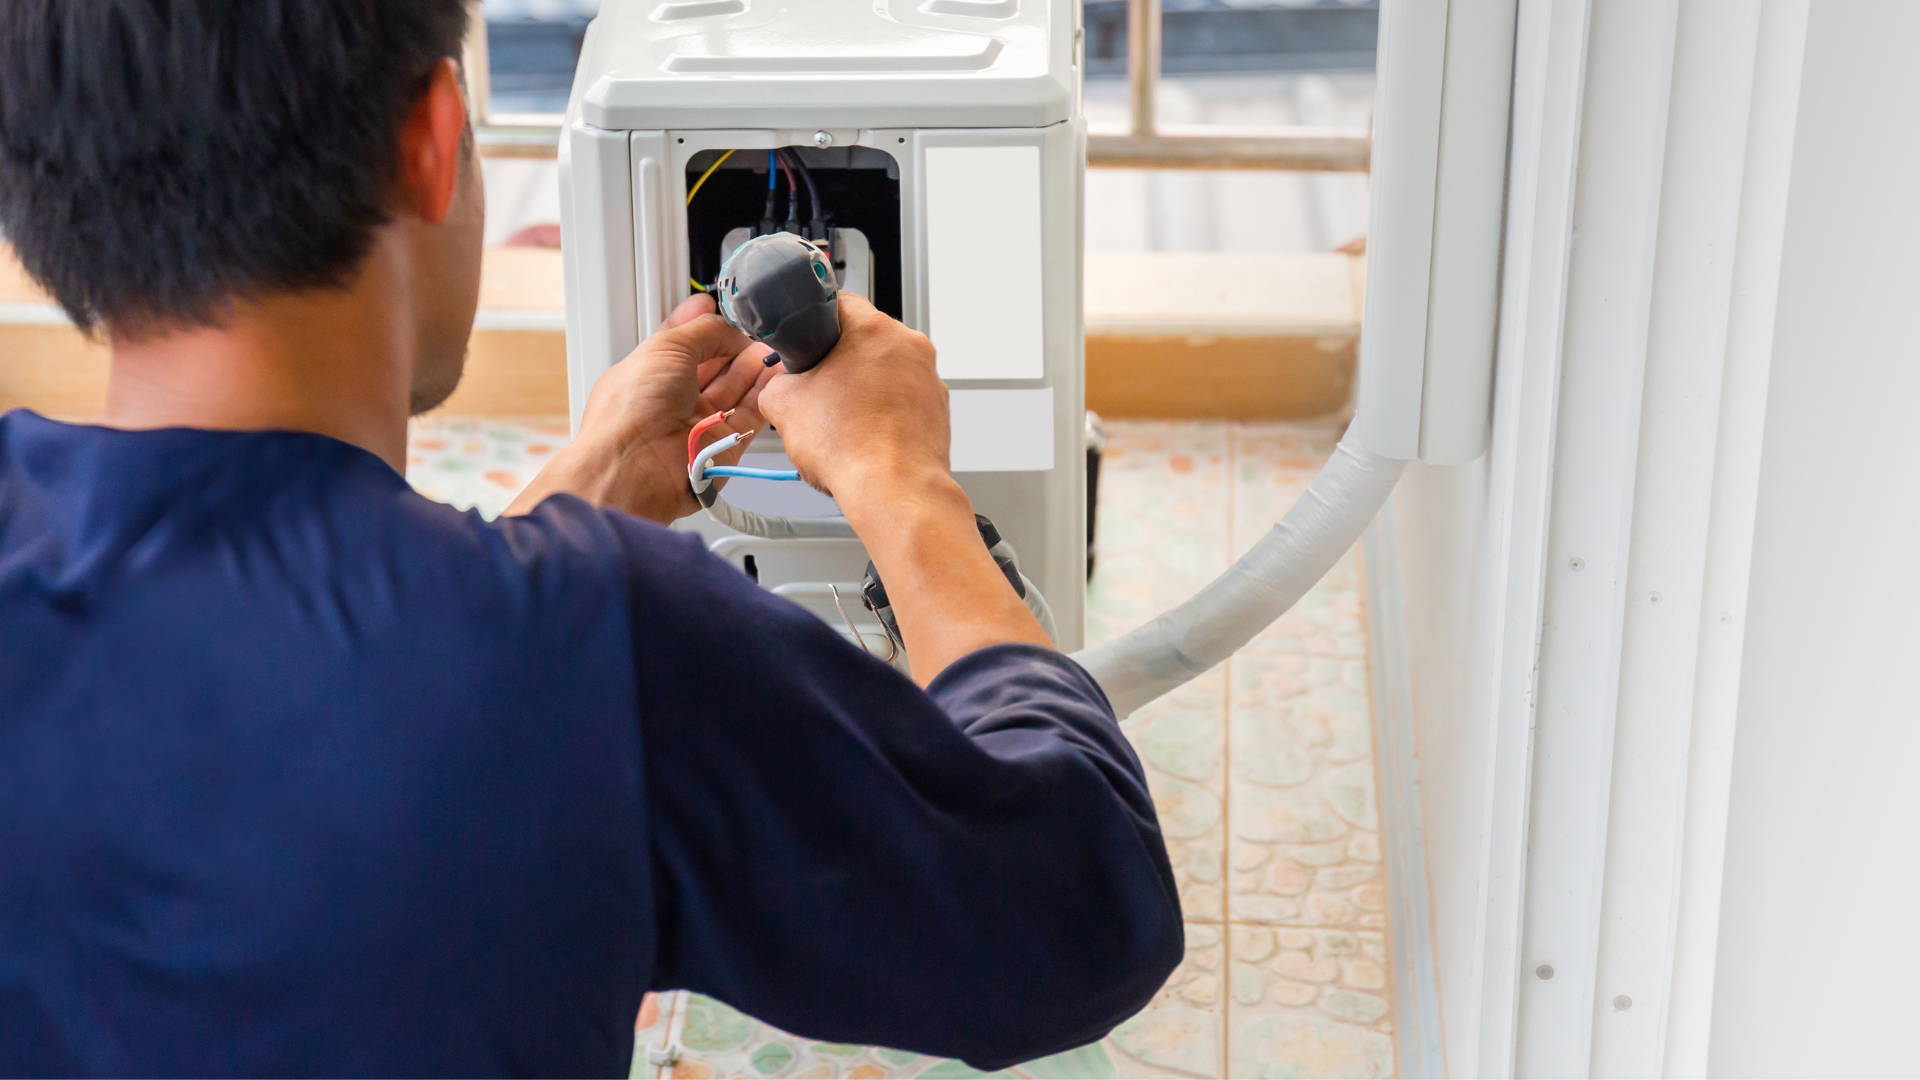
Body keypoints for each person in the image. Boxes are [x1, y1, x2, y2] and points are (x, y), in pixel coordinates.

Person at [0, 1, 1183, 1075]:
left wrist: (562, 509)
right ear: (433, 135)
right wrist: (900, 476)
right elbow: (1080, 909)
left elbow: (264, 715)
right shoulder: (597, 650)